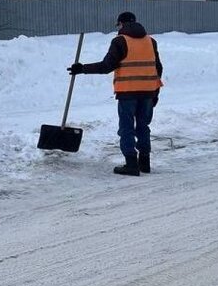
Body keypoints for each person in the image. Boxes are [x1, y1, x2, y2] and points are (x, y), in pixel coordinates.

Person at [67, 12, 163, 176]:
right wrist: (155, 92)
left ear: (121, 24)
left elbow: (106, 66)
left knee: (126, 128)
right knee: (143, 126)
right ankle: (144, 163)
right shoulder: (150, 41)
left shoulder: (120, 41)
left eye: (117, 25)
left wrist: (82, 68)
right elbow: (158, 68)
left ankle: (131, 164)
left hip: (128, 93)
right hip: (148, 92)